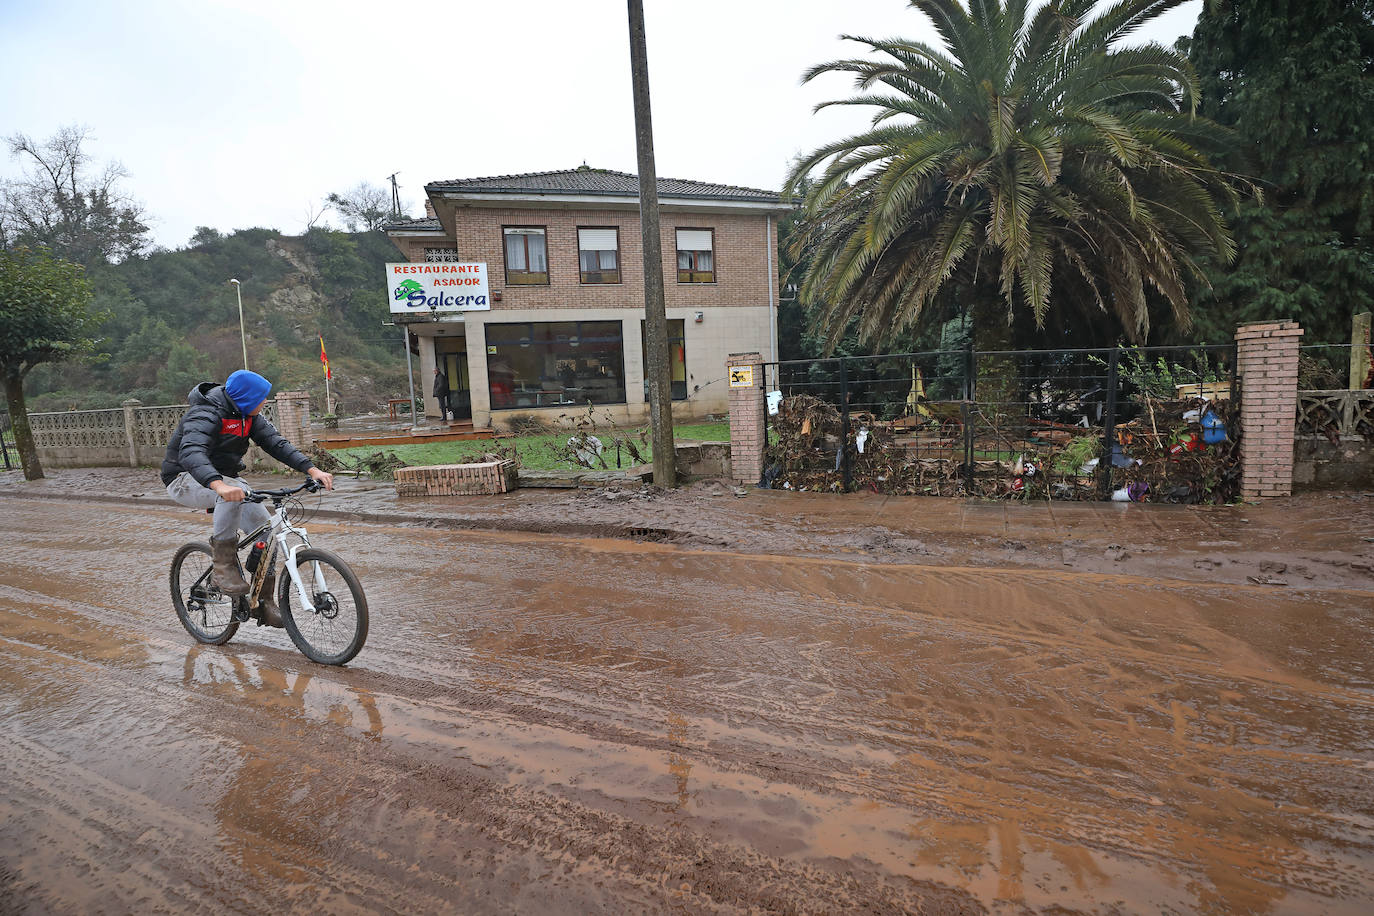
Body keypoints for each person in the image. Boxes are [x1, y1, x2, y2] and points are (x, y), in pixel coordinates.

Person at [161, 370, 333, 626]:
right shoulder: (206, 412)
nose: (265, 402)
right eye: (261, 398)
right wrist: (217, 484)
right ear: (246, 398)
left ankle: (263, 603)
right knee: (231, 497)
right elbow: (191, 452)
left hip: (226, 480)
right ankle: (222, 568)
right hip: (186, 478)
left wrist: (312, 469)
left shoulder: (248, 415)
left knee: (266, 533)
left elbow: (276, 443)